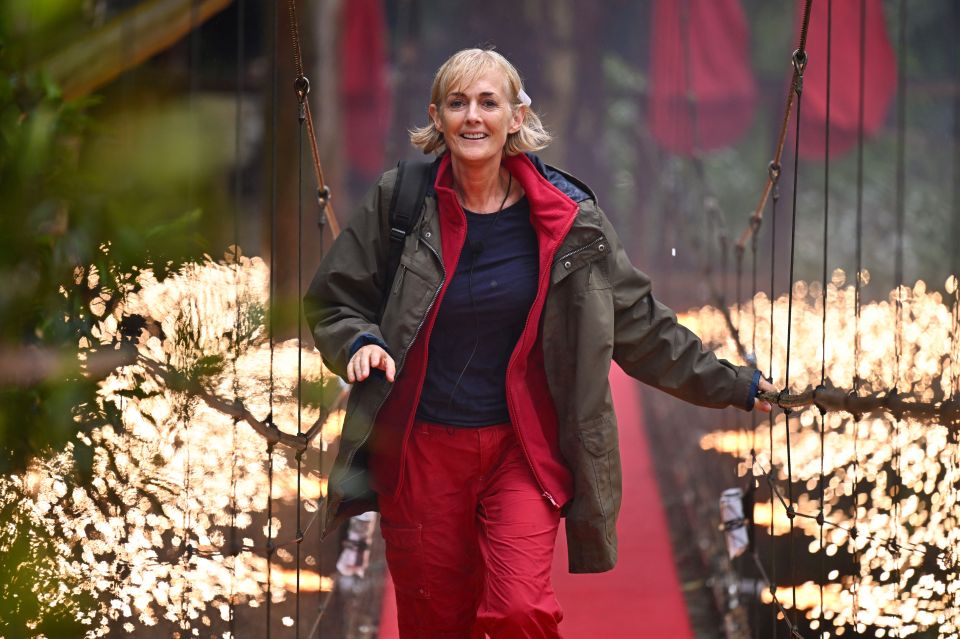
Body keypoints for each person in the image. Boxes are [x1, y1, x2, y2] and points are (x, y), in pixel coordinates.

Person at [305, 48, 775, 639]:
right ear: (437, 116)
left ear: (516, 117)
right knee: (434, 624)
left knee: (519, 611)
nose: (473, 117)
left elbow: (641, 326)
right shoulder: (399, 203)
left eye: (488, 102)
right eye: (457, 103)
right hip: (421, 452)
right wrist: (359, 341)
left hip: (520, 450)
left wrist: (734, 384)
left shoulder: (568, 219)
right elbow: (335, 299)